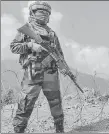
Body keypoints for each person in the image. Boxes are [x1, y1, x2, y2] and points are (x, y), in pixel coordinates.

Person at [10, 1, 67, 133]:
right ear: (33, 13)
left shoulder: (51, 33)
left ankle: (60, 130)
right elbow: (13, 47)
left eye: (46, 13)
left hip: (51, 73)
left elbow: (59, 54)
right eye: (41, 12)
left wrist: (63, 66)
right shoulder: (27, 30)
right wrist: (30, 45)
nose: (44, 15)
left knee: (56, 103)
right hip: (32, 72)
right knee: (26, 103)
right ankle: (19, 130)